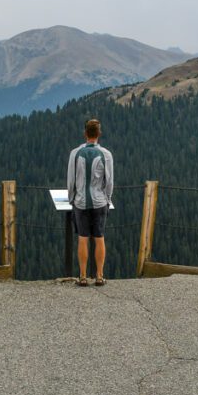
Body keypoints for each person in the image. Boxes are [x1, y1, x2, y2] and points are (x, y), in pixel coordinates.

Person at [67, 118, 114, 286]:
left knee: (83, 238)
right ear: (99, 134)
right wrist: (107, 199)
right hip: (99, 202)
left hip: (80, 202)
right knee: (99, 237)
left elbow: (71, 180)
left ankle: (83, 276)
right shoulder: (106, 154)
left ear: (85, 133)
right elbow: (109, 182)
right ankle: (100, 275)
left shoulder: (75, 153)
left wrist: (72, 198)